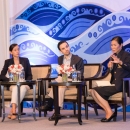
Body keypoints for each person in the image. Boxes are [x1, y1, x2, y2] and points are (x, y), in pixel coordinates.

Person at [40, 41, 84, 121]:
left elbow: (80, 73)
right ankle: (57, 112)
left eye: (67, 46)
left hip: (73, 82)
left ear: (69, 46)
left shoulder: (78, 59)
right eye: (63, 48)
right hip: (63, 82)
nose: (66, 49)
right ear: (60, 51)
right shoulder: (60, 59)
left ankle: (49, 104)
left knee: (58, 81)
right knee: (60, 86)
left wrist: (70, 72)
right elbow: (60, 73)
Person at [90, 36, 130, 122]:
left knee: (96, 90)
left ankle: (109, 113)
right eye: (111, 45)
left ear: (121, 45)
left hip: (122, 84)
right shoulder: (113, 56)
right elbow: (112, 74)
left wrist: (120, 62)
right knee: (92, 91)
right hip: (114, 83)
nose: (112, 47)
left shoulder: (126, 55)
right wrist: (110, 68)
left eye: (115, 45)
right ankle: (109, 111)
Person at [0, 43, 32, 120]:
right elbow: (2, 75)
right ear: (11, 52)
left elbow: (29, 74)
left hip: (24, 83)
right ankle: (14, 110)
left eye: (18, 49)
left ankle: (12, 110)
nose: (17, 51)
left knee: (23, 87)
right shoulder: (7, 62)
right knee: (15, 88)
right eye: (15, 50)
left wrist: (25, 81)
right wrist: (10, 80)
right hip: (13, 84)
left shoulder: (25, 60)